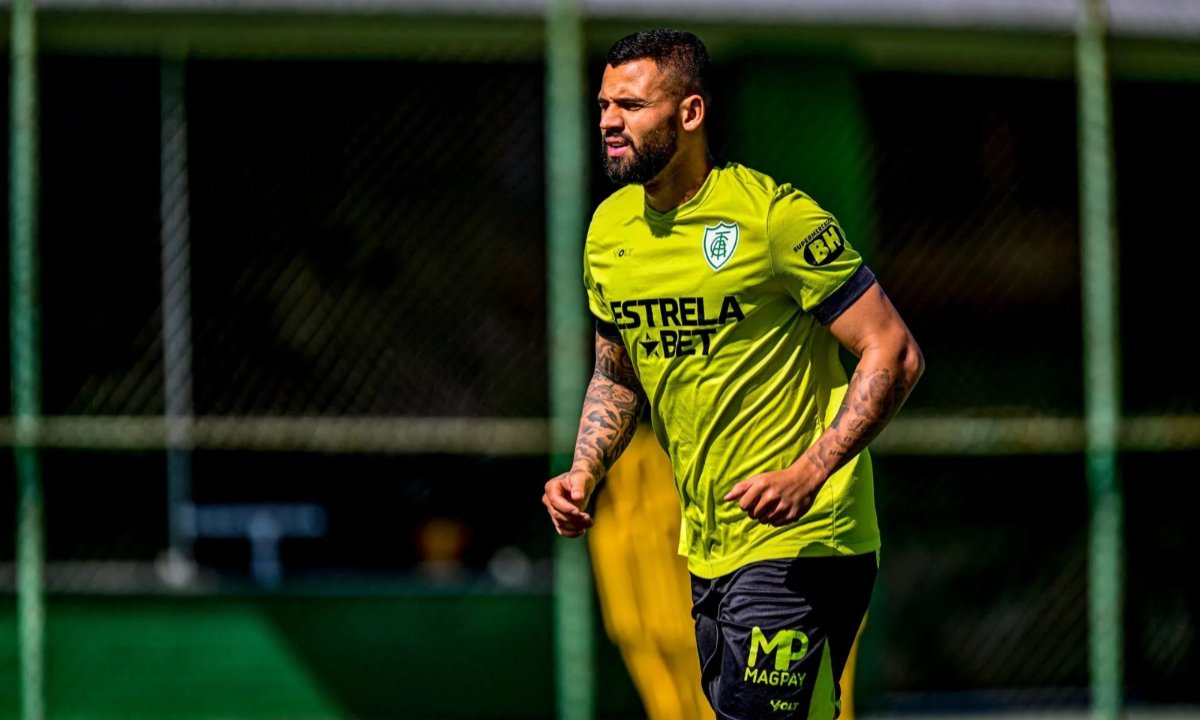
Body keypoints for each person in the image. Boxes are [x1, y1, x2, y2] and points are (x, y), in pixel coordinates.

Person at [542, 28, 924, 720]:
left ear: (690, 113)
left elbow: (892, 351)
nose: (607, 122)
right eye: (602, 105)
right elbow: (617, 371)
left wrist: (809, 474)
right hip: (709, 547)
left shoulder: (772, 217)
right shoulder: (609, 231)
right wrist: (583, 471)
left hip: (805, 542)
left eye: (630, 105)